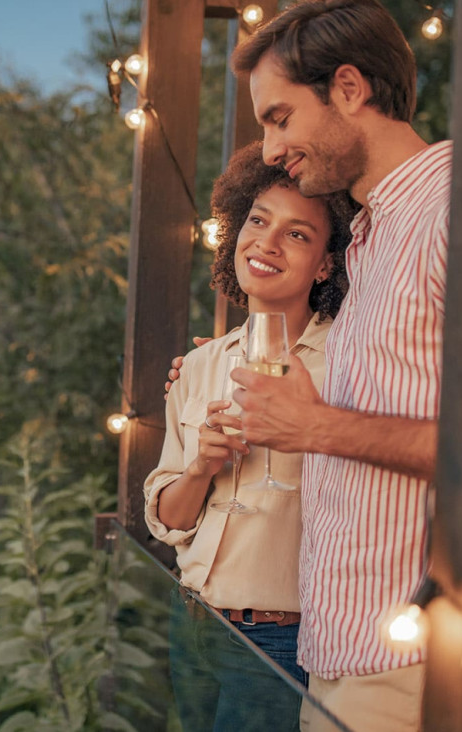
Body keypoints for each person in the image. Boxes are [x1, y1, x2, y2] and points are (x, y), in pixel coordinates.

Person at [225, 2, 453, 730]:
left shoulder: (453, 209)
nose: (270, 149)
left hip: (410, 663)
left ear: (349, 88)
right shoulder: (371, 235)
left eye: (280, 118)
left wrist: (317, 426)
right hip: (339, 652)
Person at [144, 140, 354, 732]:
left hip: (277, 642)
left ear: (326, 264)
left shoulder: (349, 364)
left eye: (297, 234)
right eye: (258, 221)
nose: (266, 242)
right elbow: (169, 518)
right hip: (191, 622)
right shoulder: (200, 365)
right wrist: (200, 468)